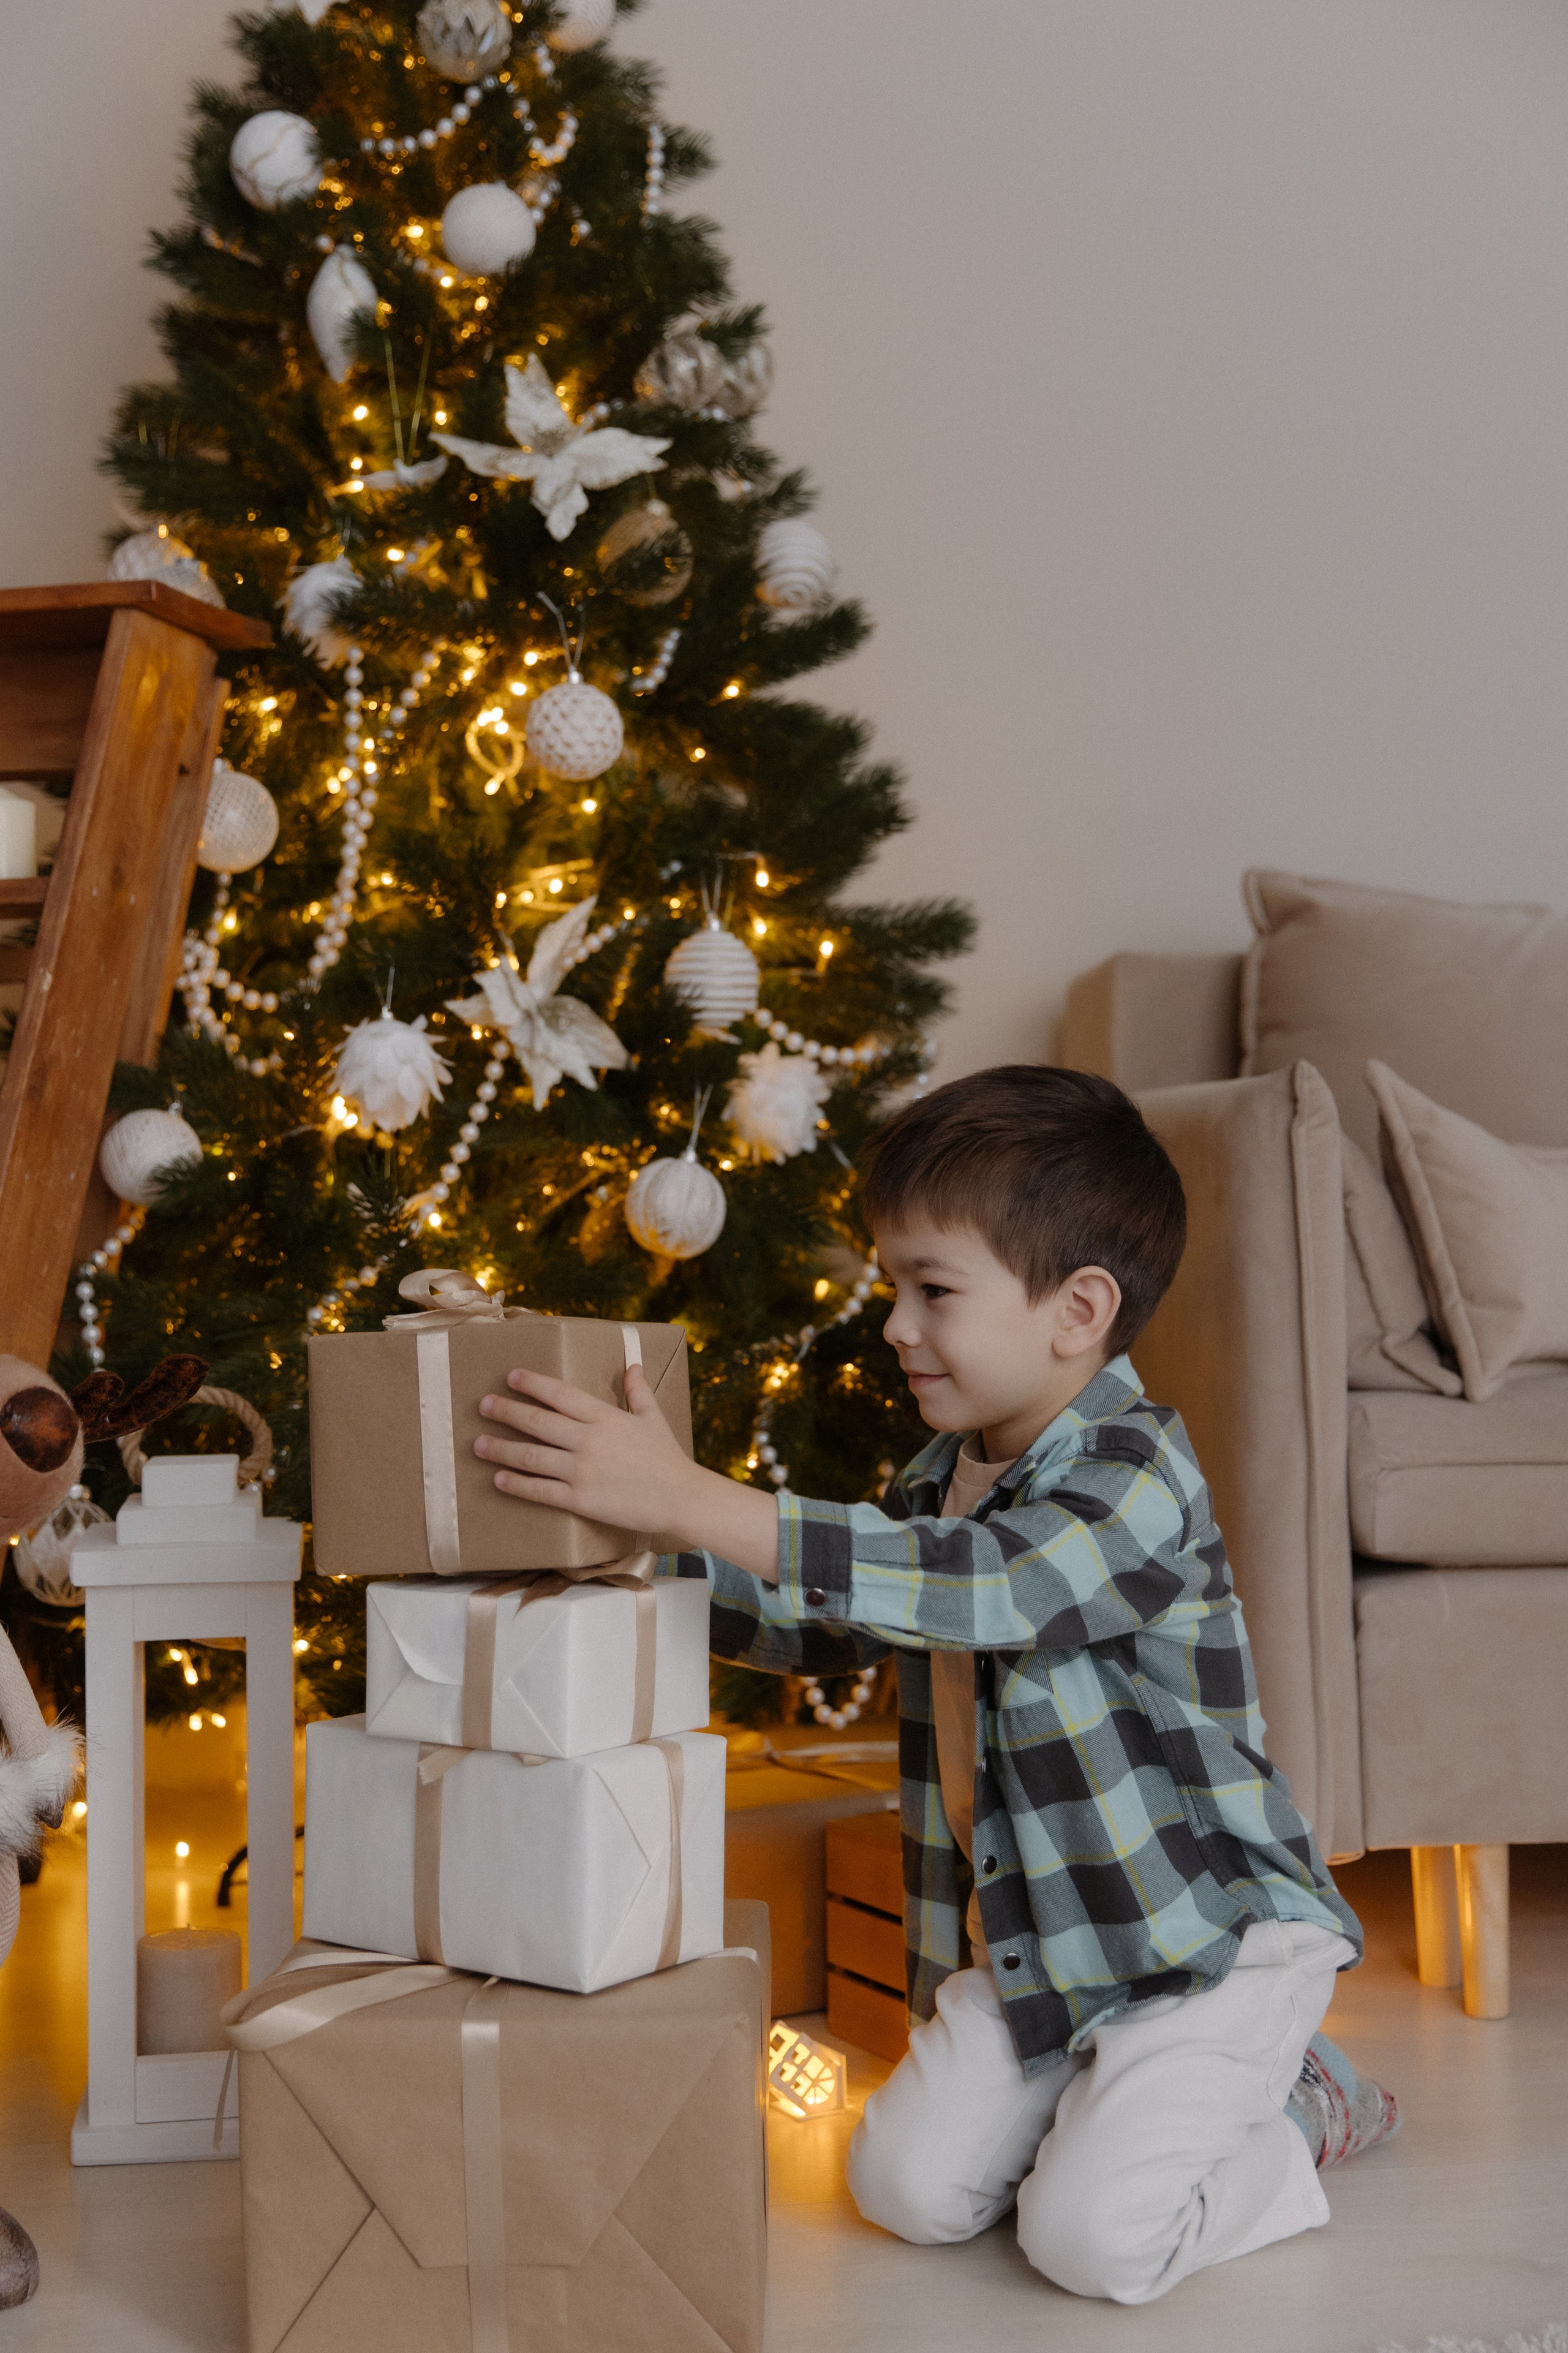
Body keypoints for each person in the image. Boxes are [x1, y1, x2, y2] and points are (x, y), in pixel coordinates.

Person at [475, 1063, 1398, 2306]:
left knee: (1091, 2244)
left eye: (933, 1290)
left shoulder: (1135, 1474)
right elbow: (826, 1619)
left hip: (1198, 1942)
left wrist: (697, 1494)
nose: (896, 1324)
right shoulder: (943, 1473)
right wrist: (646, 1538)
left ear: (1076, 1310)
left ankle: (1301, 2107)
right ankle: (1106, 2102)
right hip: (1035, 1945)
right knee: (902, 2189)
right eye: (892, 1284)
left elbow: (987, 1588)